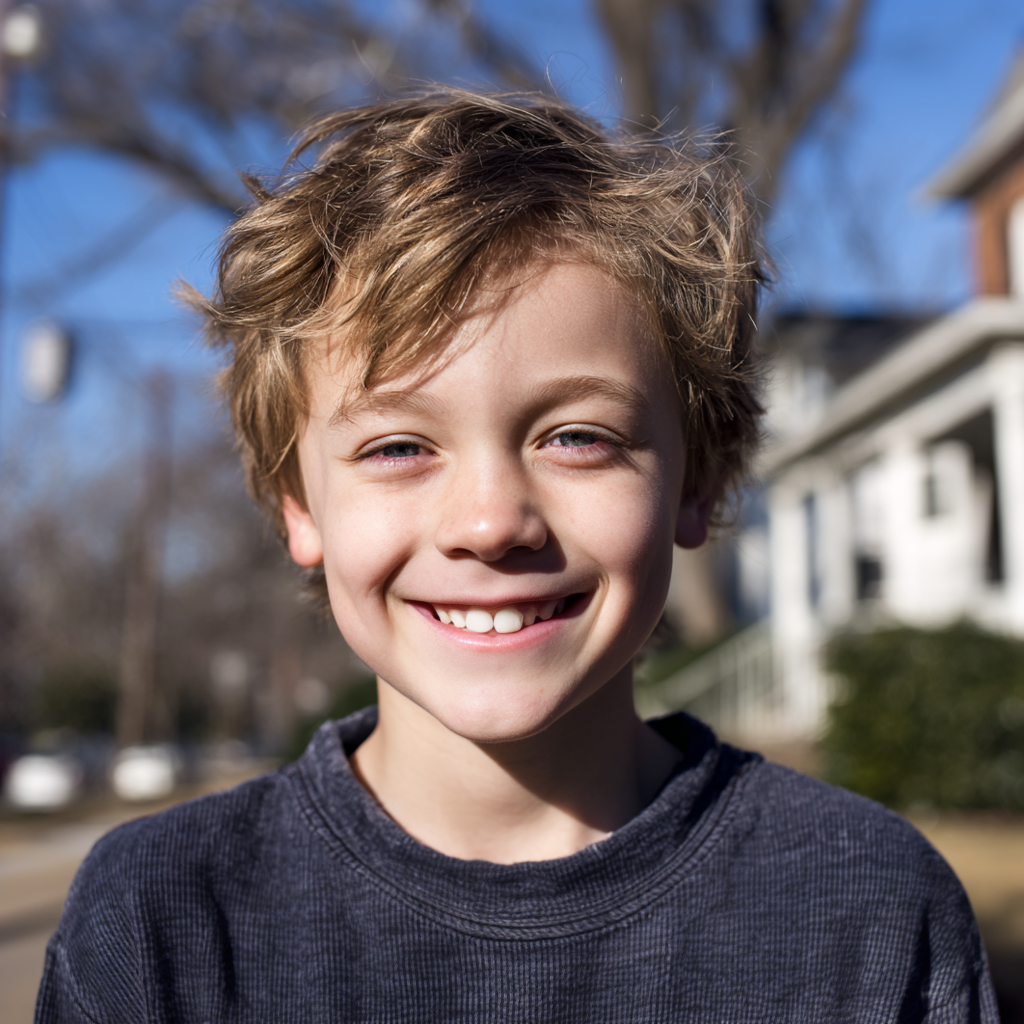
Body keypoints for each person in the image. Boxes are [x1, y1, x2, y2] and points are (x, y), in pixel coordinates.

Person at [36, 91, 996, 1023]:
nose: (492, 524)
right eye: (399, 447)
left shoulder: (866, 904)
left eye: (577, 436)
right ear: (300, 506)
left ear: (694, 483)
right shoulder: (161, 921)